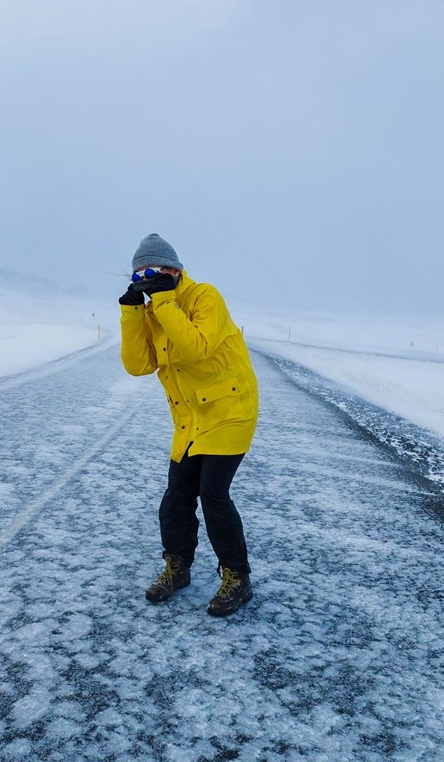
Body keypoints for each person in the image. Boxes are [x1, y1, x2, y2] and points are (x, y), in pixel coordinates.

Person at [118, 233, 259, 617]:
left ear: (175, 270)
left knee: (213, 496)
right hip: (191, 420)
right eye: (140, 275)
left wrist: (163, 301)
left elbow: (195, 347)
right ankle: (177, 569)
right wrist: (132, 313)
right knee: (176, 498)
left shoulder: (204, 297)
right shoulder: (154, 312)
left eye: (155, 271)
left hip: (230, 412)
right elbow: (138, 365)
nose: (148, 279)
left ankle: (237, 577)